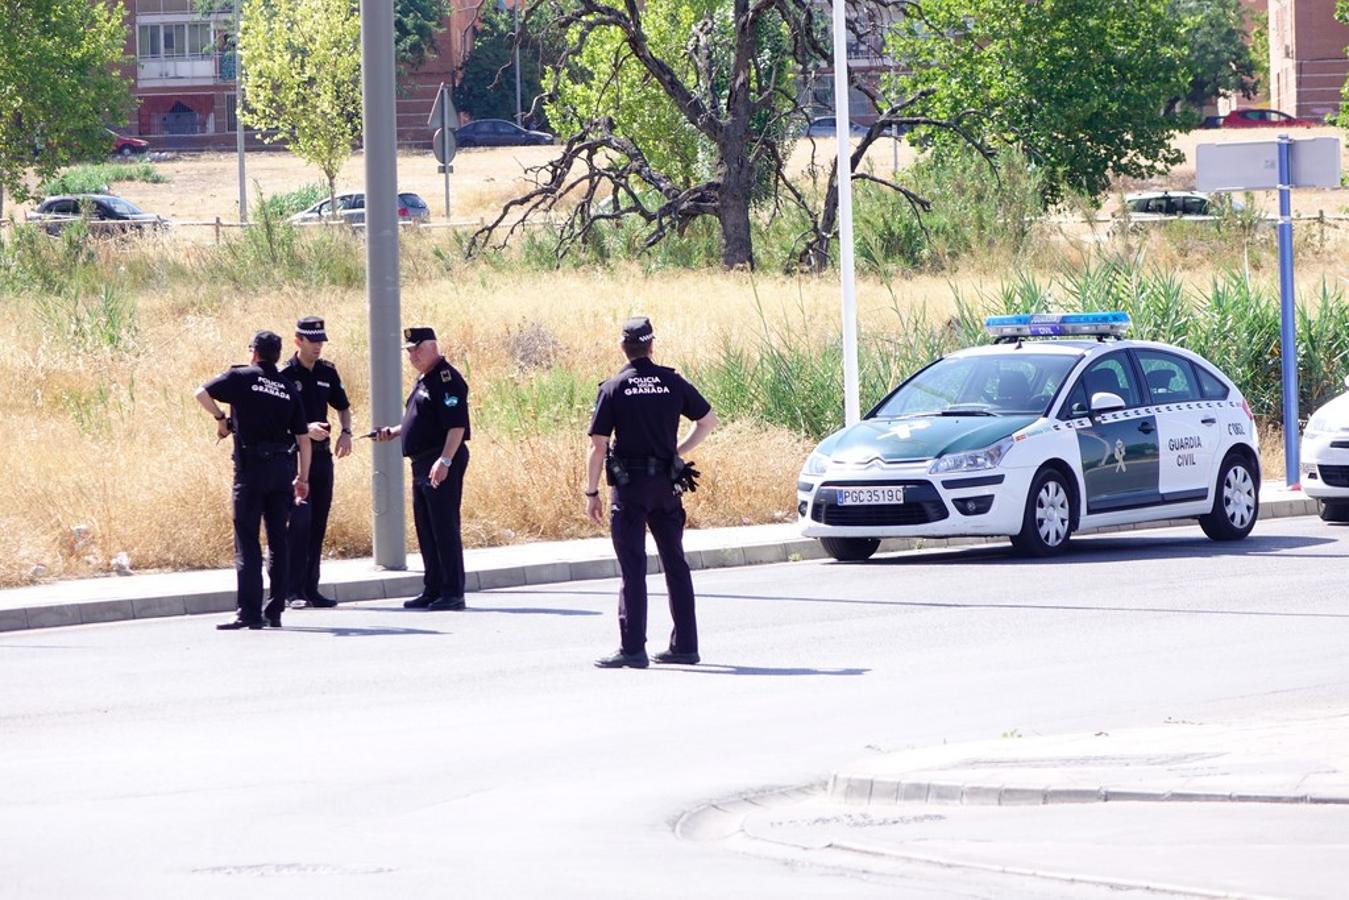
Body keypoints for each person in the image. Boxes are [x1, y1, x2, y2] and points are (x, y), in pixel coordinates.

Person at [586, 316, 718, 669]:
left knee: (633, 567)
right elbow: (708, 421)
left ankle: (633, 648)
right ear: (652, 345)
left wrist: (590, 492)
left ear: (622, 347)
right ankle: (686, 645)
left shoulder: (613, 387)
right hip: (666, 486)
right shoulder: (672, 382)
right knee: (675, 562)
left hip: (630, 489)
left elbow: (599, 446)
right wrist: (678, 451)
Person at [195, 330, 311, 630]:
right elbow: (303, 438)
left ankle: (248, 612)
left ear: (254, 352)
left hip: (251, 471)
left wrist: (222, 420)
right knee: (278, 542)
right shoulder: (287, 387)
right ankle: (274, 611)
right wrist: (303, 477)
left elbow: (201, 393)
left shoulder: (241, 377)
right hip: (283, 470)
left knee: (247, 541)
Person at [372, 326, 470, 611]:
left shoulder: (446, 379)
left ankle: (453, 592)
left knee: (444, 527)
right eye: (409, 351)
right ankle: (434, 588)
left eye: (417, 348)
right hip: (422, 462)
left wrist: (446, 461)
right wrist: (393, 431)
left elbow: (456, 426)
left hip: (440, 459)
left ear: (433, 346)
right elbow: (423, 420)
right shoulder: (425, 379)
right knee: (426, 528)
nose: (412, 355)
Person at [278, 316, 353, 609]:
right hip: (294, 458)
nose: (318, 346)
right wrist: (303, 429)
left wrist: (346, 433)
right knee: (298, 524)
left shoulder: (327, 371)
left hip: (322, 457)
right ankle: (291, 590)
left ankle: (311, 588)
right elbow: (275, 420)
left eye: (321, 341)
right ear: (298, 341)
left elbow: (343, 406)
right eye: (313, 341)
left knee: (318, 524)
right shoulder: (285, 373)